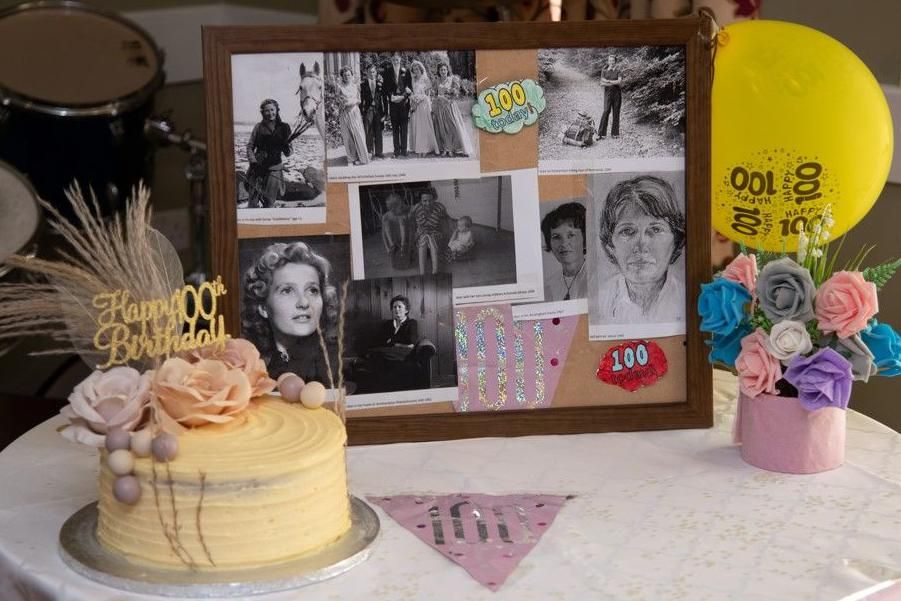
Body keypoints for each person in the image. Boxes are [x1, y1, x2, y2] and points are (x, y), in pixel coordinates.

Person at [242, 241, 340, 382]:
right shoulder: (257, 367)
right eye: (287, 290)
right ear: (263, 307)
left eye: (313, 290)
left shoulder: (333, 366)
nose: (304, 302)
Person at [596, 175, 685, 322]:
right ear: (610, 246)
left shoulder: (688, 299)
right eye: (627, 231)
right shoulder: (598, 303)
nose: (642, 245)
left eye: (655, 230)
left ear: (676, 240)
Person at [245, 99, 292, 208]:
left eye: (272, 109)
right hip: (257, 168)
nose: (270, 113)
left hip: (274, 170)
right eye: (267, 111)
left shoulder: (285, 128)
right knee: (252, 202)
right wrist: (253, 163)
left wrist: (286, 147)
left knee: (269, 203)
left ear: (277, 110)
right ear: (262, 113)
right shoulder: (258, 127)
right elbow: (250, 147)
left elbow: (289, 152)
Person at [541, 202, 587, 302]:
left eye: (571, 235)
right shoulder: (548, 286)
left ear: (584, 239)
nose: (563, 243)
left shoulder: (597, 279)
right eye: (556, 237)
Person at [432, 63, 473, 158]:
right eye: (441, 70)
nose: (443, 72)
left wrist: (450, 95)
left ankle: (453, 148)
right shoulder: (437, 81)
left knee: (452, 127)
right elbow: (434, 93)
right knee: (442, 129)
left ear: (447, 70)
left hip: (450, 107)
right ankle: (446, 149)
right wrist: (436, 98)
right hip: (440, 107)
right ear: (438, 71)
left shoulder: (452, 80)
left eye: (444, 70)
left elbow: (456, 94)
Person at [336, 65, 370, 166]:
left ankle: (363, 158)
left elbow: (359, 100)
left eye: (349, 75)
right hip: (345, 113)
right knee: (348, 137)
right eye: (345, 75)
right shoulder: (339, 87)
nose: (347, 77)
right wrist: (343, 104)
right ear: (342, 76)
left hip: (355, 112)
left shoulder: (355, 86)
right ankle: (351, 159)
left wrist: (352, 101)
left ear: (351, 75)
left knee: (359, 135)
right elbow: (338, 100)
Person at [412, 187, 448, 275]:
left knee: (431, 239)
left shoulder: (440, 207)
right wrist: (415, 234)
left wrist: (444, 234)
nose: (428, 203)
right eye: (424, 200)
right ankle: (424, 272)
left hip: (435, 232)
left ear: (434, 198)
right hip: (420, 233)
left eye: (430, 200)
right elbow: (410, 223)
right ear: (420, 200)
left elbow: (445, 221)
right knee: (424, 238)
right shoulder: (416, 208)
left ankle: (433, 272)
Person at [407, 60, 439, 158]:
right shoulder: (413, 80)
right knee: (417, 126)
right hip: (415, 105)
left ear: (421, 68)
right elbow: (412, 92)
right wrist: (412, 98)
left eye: (417, 69)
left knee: (424, 126)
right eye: (414, 69)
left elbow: (427, 94)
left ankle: (426, 148)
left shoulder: (426, 79)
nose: (416, 71)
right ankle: (418, 148)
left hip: (424, 104)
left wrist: (419, 99)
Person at [383, 53, 411, 158]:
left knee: (404, 127)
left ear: (400, 59)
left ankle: (404, 150)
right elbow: (386, 87)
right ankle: (396, 151)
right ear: (391, 60)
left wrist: (403, 96)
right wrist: (392, 96)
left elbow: (409, 86)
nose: (396, 61)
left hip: (404, 103)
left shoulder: (406, 71)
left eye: (397, 59)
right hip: (393, 103)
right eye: (394, 59)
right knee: (395, 128)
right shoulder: (387, 71)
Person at [360, 62, 386, 159]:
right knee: (368, 131)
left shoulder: (380, 84)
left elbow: (384, 99)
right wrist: (361, 113)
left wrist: (385, 113)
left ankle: (379, 152)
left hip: (379, 110)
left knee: (378, 131)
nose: (372, 74)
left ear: (376, 72)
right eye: (370, 72)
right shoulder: (363, 85)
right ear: (367, 73)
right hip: (368, 110)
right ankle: (370, 151)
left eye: (373, 72)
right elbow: (361, 100)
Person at [381, 192, 413, 269]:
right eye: (400, 207)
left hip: (405, 240)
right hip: (394, 240)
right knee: (386, 222)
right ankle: (392, 246)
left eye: (402, 205)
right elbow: (383, 234)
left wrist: (410, 246)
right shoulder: (386, 216)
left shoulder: (404, 213)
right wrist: (387, 248)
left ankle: (403, 246)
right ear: (392, 208)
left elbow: (411, 231)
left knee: (402, 220)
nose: (402, 207)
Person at [596, 54, 623, 140]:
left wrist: (608, 81)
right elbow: (601, 83)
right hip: (607, 94)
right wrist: (612, 82)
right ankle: (601, 134)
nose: (611, 62)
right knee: (606, 111)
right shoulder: (604, 71)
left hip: (617, 94)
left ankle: (615, 133)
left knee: (616, 113)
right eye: (610, 61)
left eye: (613, 61)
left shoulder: (618, 71)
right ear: (608, 61)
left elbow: (619, 82)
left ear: (615, 62)